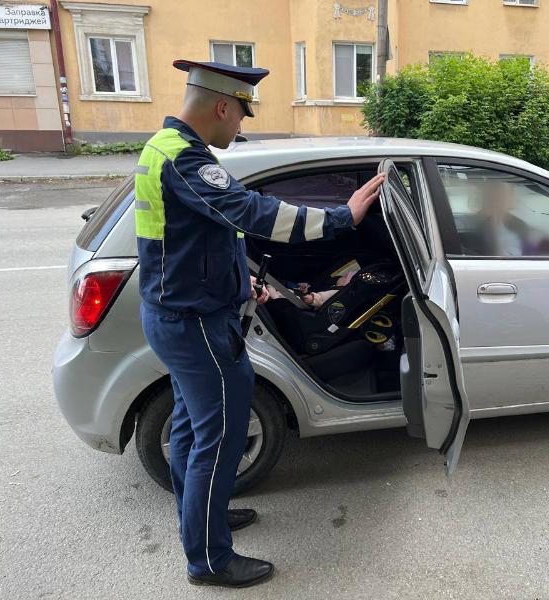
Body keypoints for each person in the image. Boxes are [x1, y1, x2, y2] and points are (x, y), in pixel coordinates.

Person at [134, 59, 385, 589]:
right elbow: (255, 215)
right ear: (222, 105)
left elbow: (211, 234)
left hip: (181, 315)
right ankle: (209, 561)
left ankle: (202, 515)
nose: (242, 125)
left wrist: (244, 277)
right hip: (195, 321)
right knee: (218, 435)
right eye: (242, 113)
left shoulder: (165, 148)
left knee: (190, 426)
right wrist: (344, 218)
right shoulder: (186, 160)